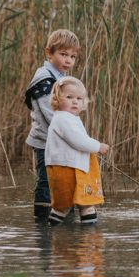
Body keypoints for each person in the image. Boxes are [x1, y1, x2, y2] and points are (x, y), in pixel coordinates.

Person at [24, 29, 80, 221]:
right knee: (46, 181)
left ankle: (63, 212)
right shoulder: (44, 79)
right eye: (63, 54)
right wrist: (72, 135)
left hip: (59, 141)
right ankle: (42, 220)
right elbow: (52, 115)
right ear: (49, 53)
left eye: (72, 56)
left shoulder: (59, 78)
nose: (68, 61)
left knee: (63, 178)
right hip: (45, 141)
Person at [44, 76, 109, 226]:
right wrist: (98, 146)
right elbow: (77, 140)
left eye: (79, 98)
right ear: (57, 99)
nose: (75, 101)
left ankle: (78, 236)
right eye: (69, 97)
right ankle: (87, 238)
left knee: (72, 205)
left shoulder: (70, 118)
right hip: (67, 168)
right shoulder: (63, 119)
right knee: (72, 204)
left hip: (72, 167)